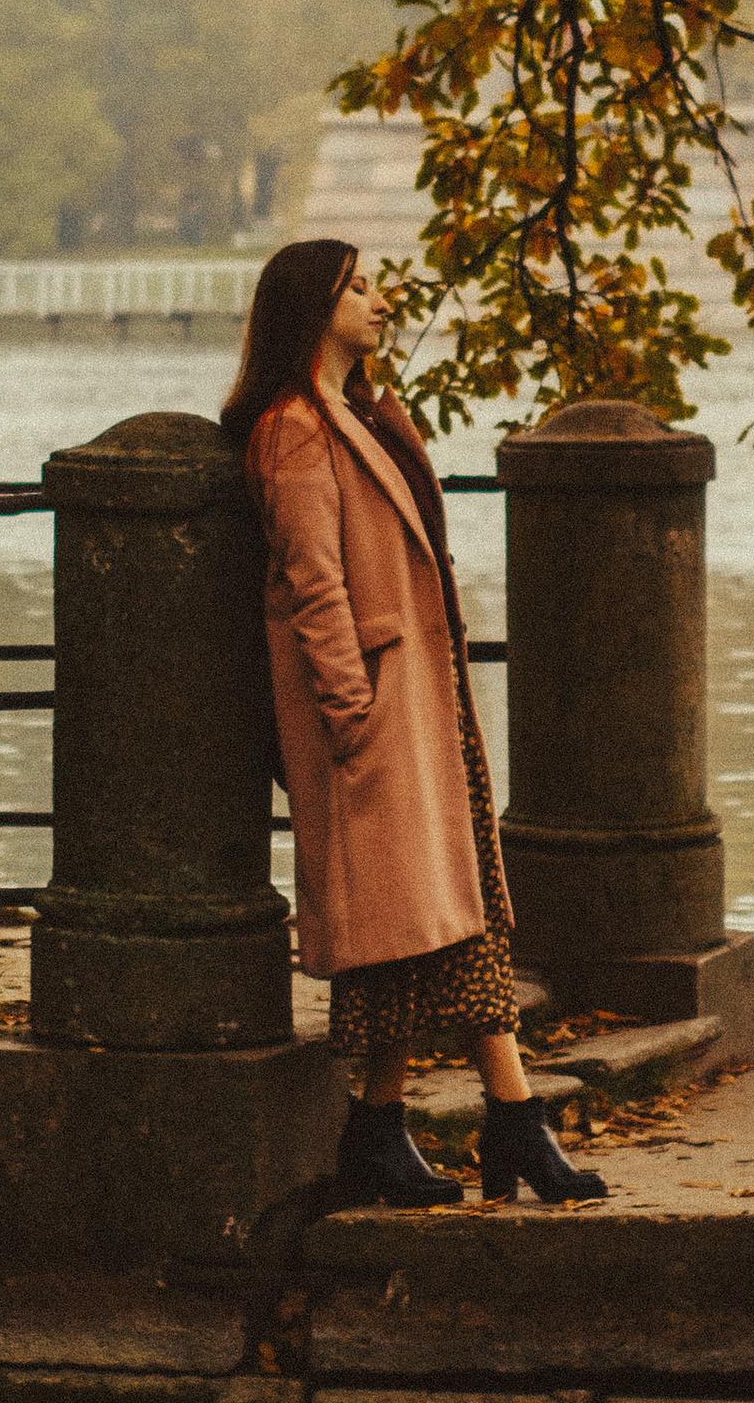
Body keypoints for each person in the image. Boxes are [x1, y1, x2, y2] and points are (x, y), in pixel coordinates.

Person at [222, 238, 609, 1210]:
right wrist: (352, 713)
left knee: (439, 913)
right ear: (313, 305)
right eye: (358, 284)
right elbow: (314, 582)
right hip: (379, 713)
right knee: (434, 915)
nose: (380, 297)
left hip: (421, 706)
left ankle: (386, 1130)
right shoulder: (292, 430)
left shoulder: (360, 415)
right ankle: (510, 1121)